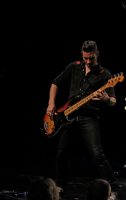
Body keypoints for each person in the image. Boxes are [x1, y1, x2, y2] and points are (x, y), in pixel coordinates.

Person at [45, 40, 117, 191]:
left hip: (89, 117)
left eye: (91, 58)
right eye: (86, 58)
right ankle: (60, 186)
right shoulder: (74, 67)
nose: (88, 61)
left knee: (97, 154)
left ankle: (112, 186)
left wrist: (106, 99)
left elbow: (113, 101)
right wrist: (51, 104)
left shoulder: (105, 75)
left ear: (97, 54)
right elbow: (55, 83)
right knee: (61, 153)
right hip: (67, 114)